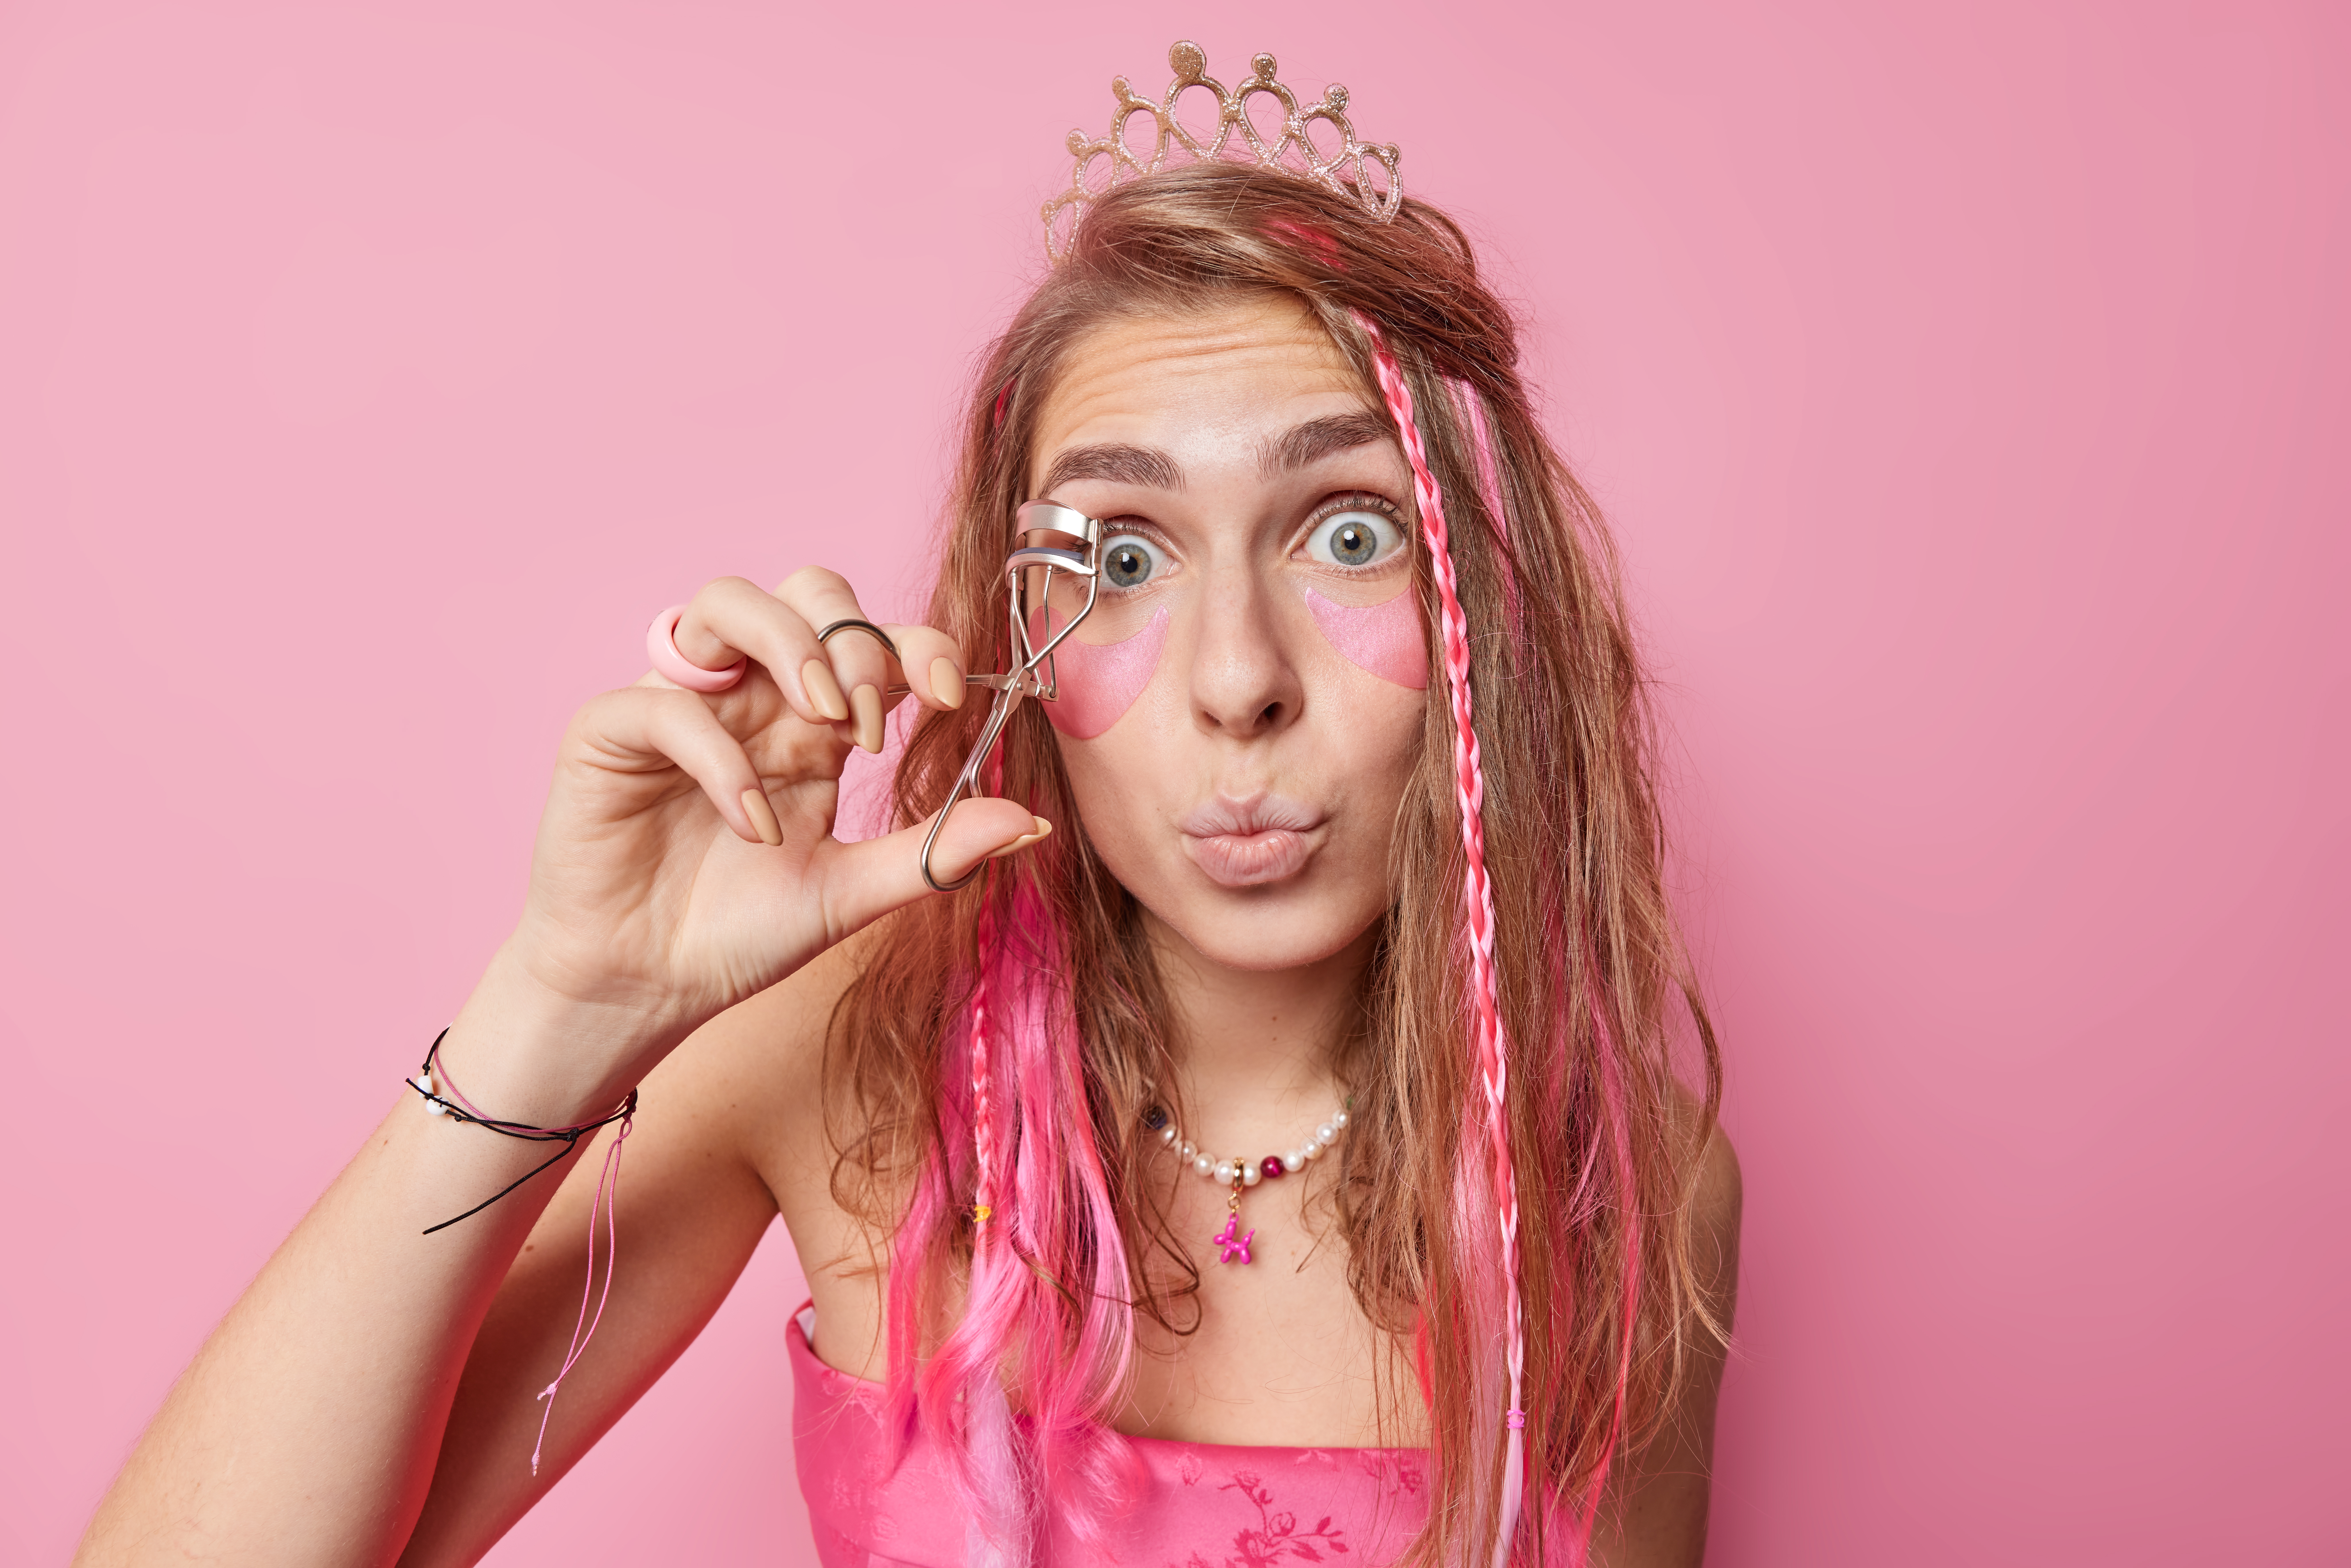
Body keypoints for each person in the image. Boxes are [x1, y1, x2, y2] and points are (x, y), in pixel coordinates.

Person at [76, 44, 1740, 1568]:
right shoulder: (842, 1058)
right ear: (1020, 633)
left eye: (1349, 531)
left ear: (1484, 628)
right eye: (1123, 556)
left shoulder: (1624, 1182)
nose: (1239, 679)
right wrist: (562, 1005)